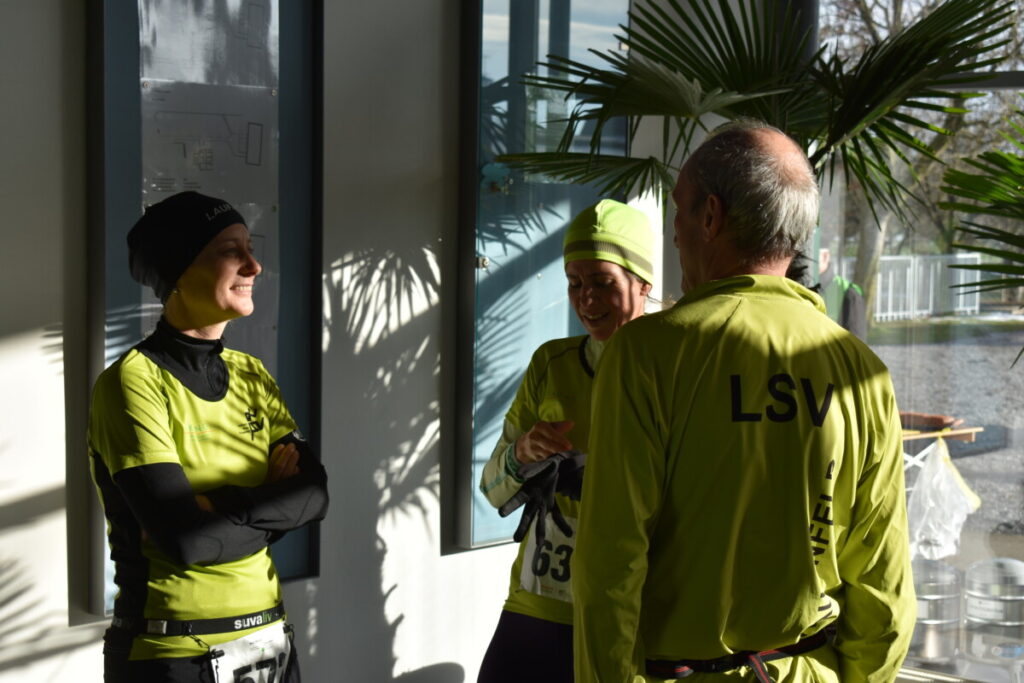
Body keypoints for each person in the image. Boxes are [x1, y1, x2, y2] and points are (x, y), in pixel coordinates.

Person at [573, 121, 915, 682]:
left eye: (678, 213)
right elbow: (884, 580)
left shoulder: (646, 354)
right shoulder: (861, 370)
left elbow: (610, 563)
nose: (674, 236)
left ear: (710, 216)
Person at [88, 191, 329, 682]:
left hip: (270, 641)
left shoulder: (252, 374)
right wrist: (271, 496)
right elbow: (186, 541)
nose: (254, 267)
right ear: (178, 271)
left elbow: (315, 494)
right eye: (229, 251)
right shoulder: (132, 383)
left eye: (250, 249)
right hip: (173, 653)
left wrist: (216, 506)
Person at [477, 199, 655, 683]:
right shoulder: (550, 363)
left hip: (628, 611)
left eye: (602, 282)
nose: (587, 299)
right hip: (540, 599)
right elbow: (491, 490)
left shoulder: (674, 367)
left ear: (643, 283)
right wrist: (521, 455)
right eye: (574, 283)